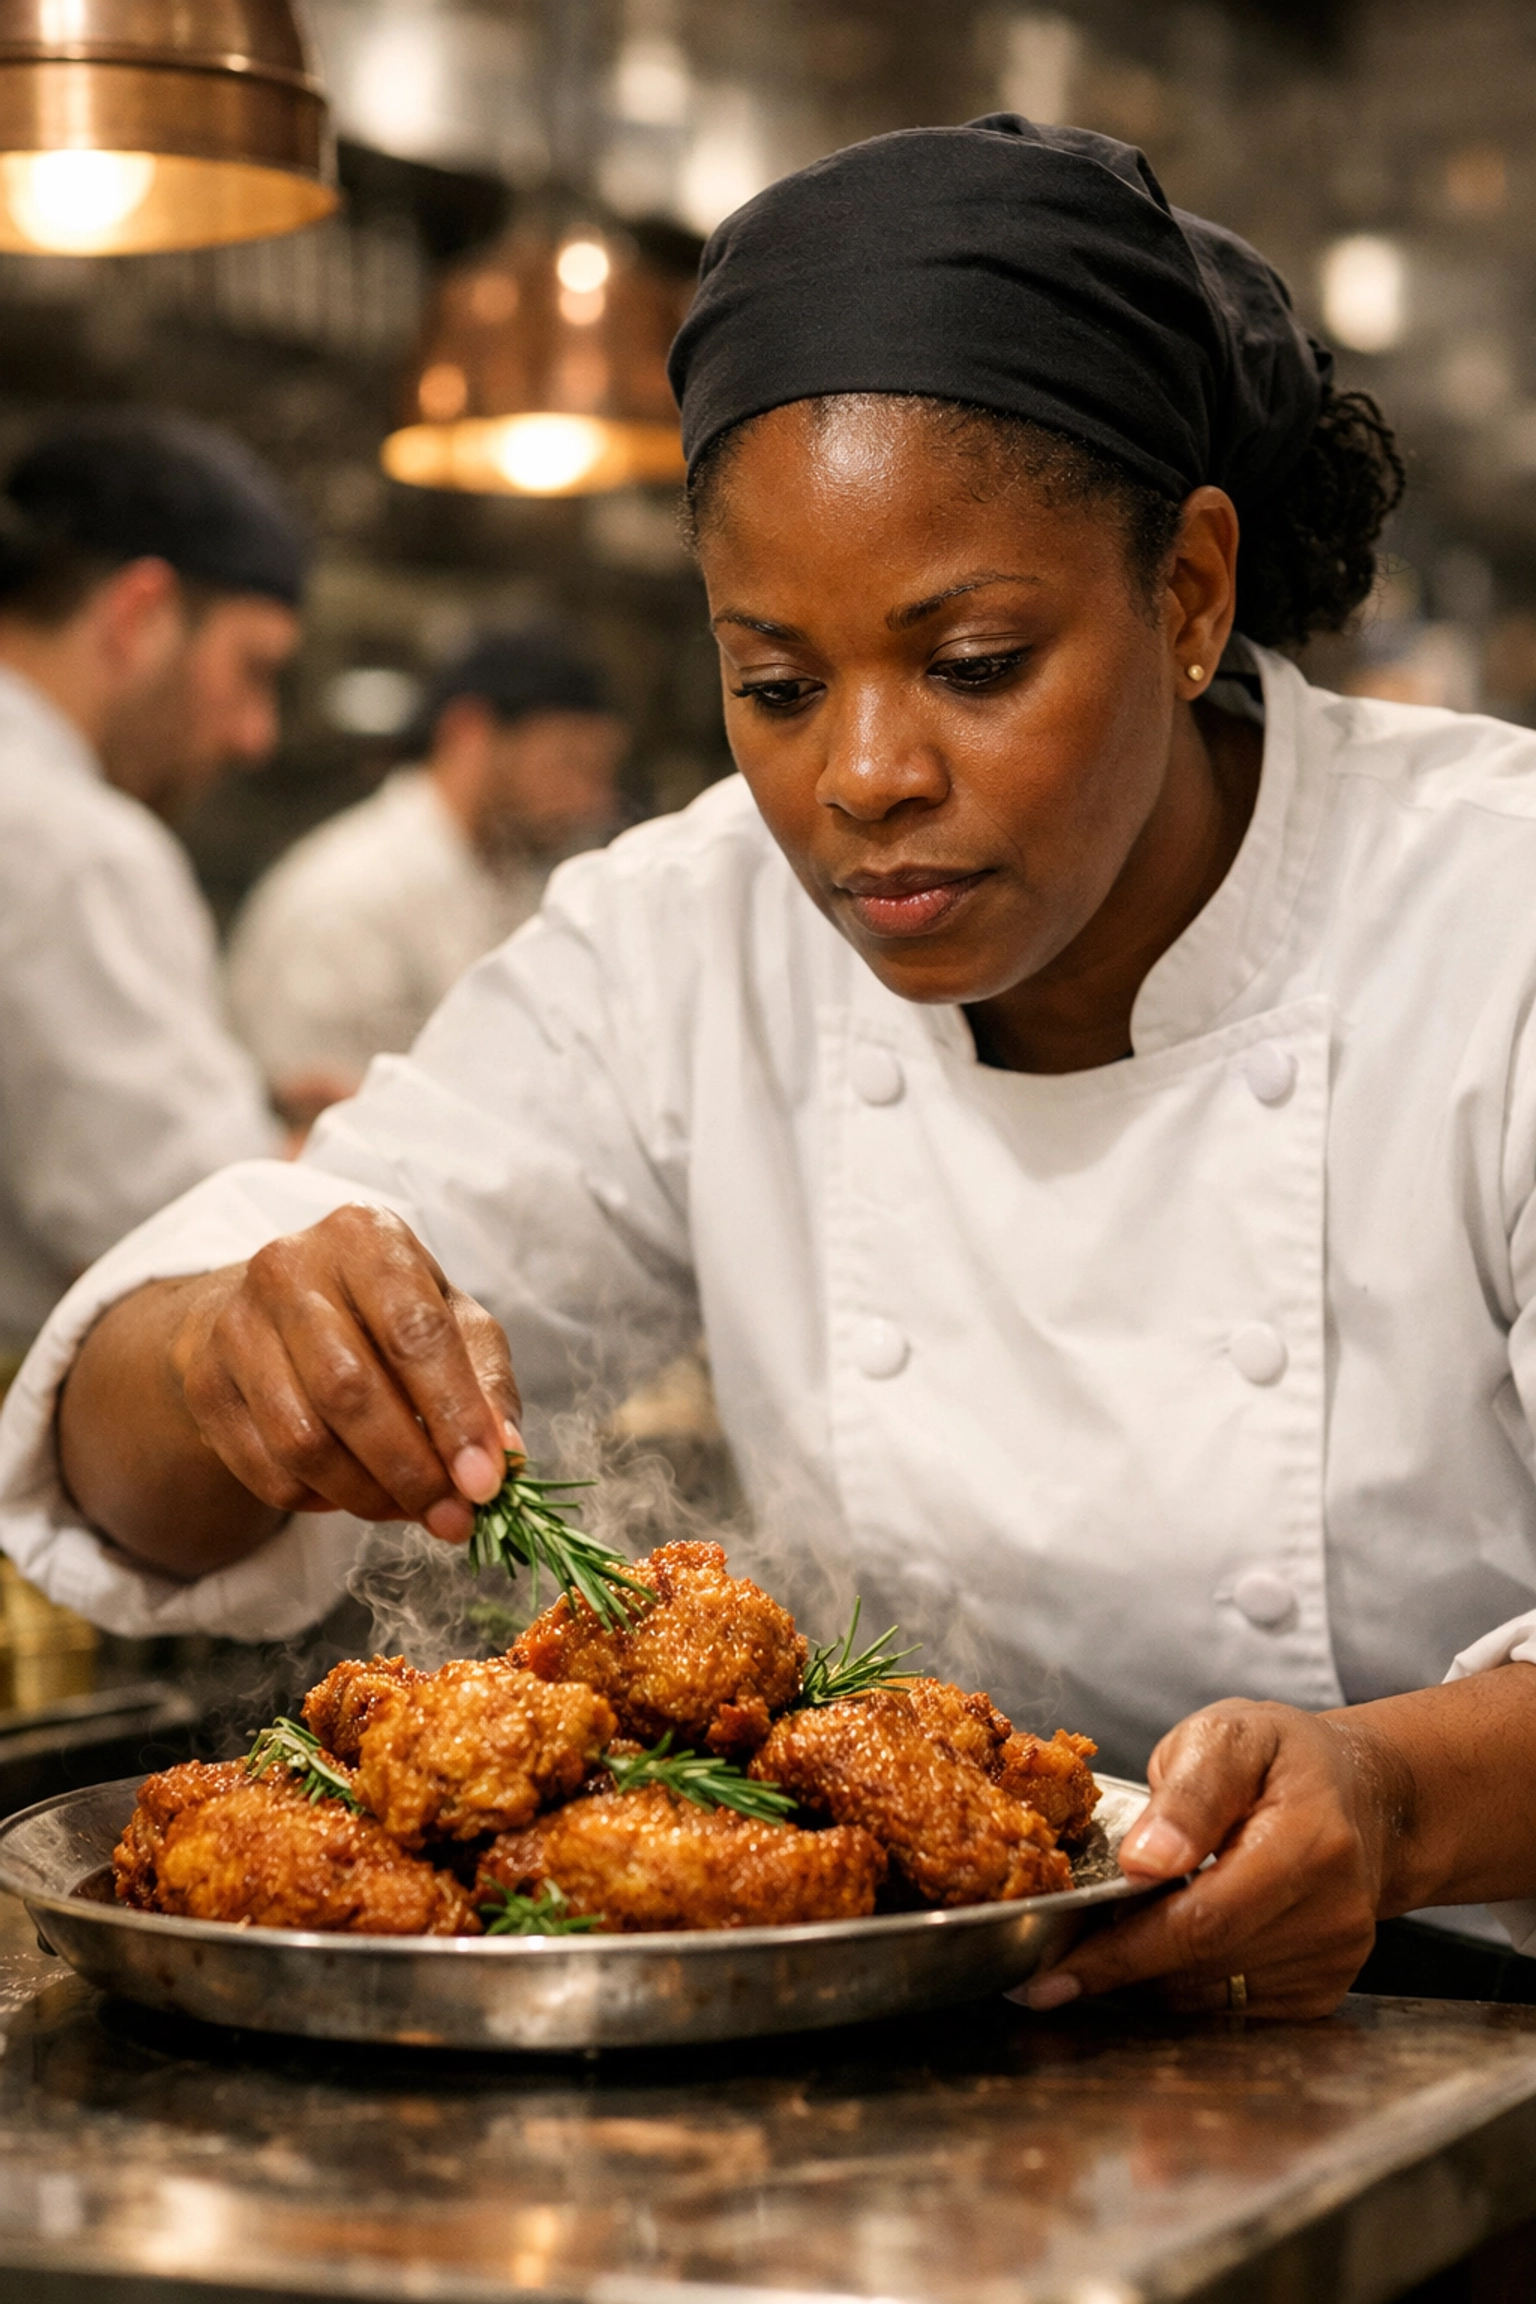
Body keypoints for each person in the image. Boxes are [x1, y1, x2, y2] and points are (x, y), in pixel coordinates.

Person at [7, 116, 1536, 2014]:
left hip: (1473, 2021)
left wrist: (1387, 1797)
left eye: (973, 660)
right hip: (891, 2035)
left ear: (1192, 590)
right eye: (778, 684)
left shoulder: (1494, 914)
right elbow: (126, 1466)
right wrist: (233, 1353)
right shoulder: (686, 934)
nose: (862, 777)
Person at [0, 408, 301, 1368]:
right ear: (138, 616)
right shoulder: (69, 841)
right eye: (251, 670)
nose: (257, 735)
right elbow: (207, 1236)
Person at [226, 630, 627, 1126]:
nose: (591, 799)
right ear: (470, 731)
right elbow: (317, 1130)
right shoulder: (350, 895)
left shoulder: (516, 879)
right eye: (568, 761)